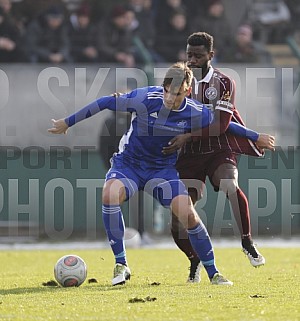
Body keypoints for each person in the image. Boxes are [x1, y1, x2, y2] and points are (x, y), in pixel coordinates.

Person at [48, 62, 274, 286]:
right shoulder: (146, 98)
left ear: (187, 90)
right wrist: (67, 123)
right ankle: (121, 264)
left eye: (175, 93)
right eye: (166, 90)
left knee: (188, 214)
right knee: (109, 194)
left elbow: (224, 125)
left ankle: (214, 272)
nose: (169, 97)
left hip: (162, 171)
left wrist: (255, 137)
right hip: (129, 165)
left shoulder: (195, 111)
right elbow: (106, 102)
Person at [162, 32, 275, 283]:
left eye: (198, 56)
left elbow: (222, 125)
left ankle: (247, 241)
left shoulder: (223, 83)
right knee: (179, 218)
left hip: (218, 148)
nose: (191, 59)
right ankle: (195, 260)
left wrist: (188, 136)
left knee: (229, 184)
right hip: (189, 155)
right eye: (189, 54)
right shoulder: (179, 82)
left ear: (210, 56)